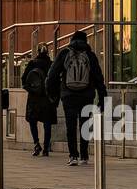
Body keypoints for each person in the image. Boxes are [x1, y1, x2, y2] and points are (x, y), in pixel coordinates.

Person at [46, 30, 107, 166]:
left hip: (68, 95)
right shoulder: (90, 55)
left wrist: (52, 95)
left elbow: (52, 76)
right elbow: (98, 78)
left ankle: (73, 155)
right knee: (84, 125)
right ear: (86, 41)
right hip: (87, 95)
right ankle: (84, 156)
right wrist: (102, 98)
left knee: (71, 125)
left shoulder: (64, 53)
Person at [21, 46, 56, 156]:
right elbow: (56, 81)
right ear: (47, 53)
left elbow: (24, 79)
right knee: (47, 123)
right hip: (47, 98)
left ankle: (36, 144)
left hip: (34, 98)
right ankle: (46, 148)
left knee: (32, 121)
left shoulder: (32, 63)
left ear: (37, 52)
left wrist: (32, 90)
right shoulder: (51, 64)